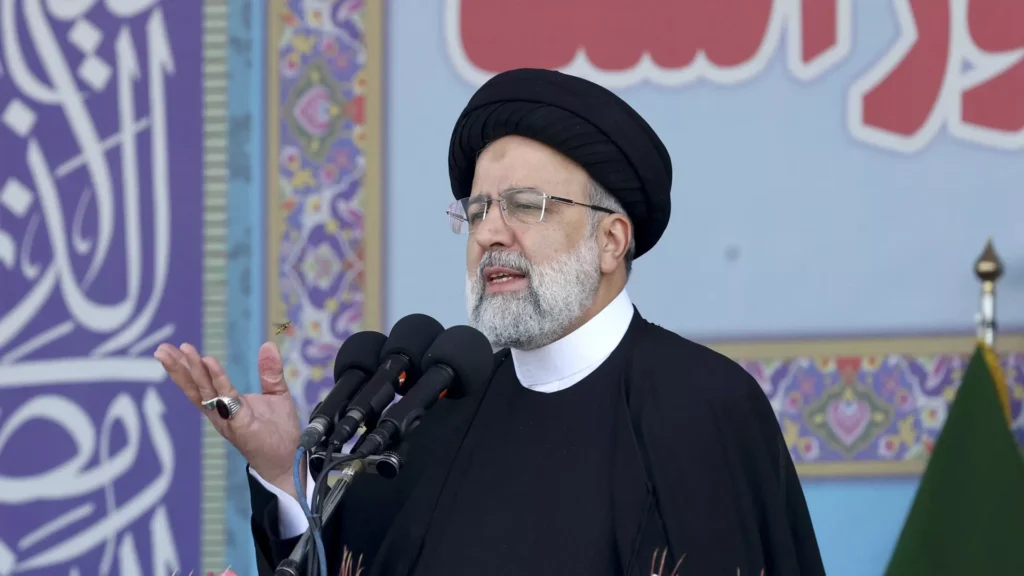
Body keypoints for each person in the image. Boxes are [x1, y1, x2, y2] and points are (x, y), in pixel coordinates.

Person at [156, 68, 826, 576]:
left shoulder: (703, 408)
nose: (488, 234)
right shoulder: (437, 413)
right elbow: (350, 555)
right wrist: (286, 474)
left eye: (525, 205)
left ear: (611, 241)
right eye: (476, 211)